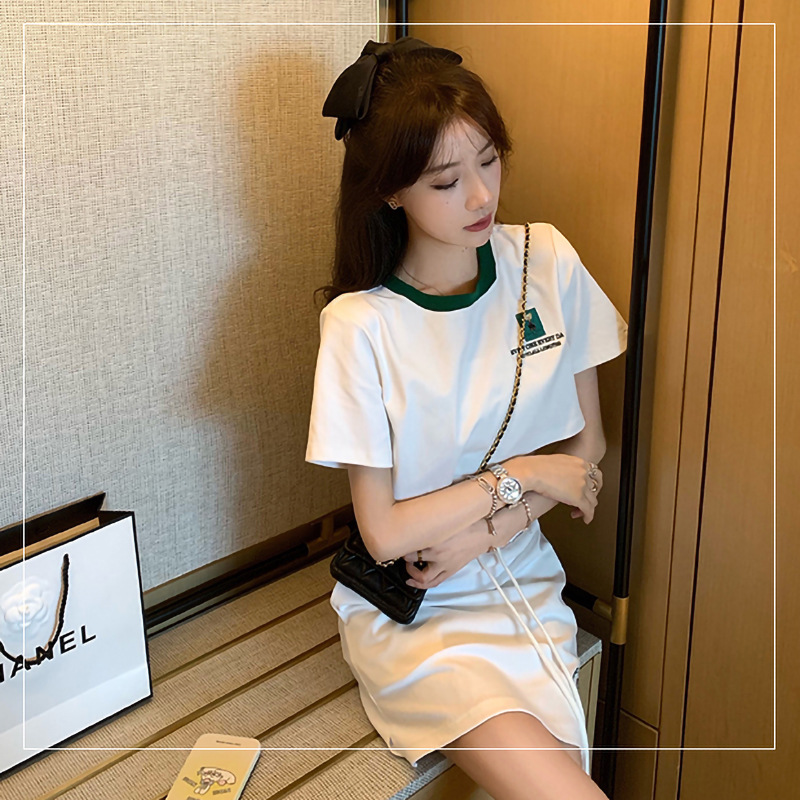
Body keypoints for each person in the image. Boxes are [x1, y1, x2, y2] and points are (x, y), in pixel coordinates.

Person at [305, 37, 627, 800]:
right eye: (447, 181)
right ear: (392, 192)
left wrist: (490, 531)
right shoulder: (359, 327)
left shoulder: (544, 259)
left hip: (520, 566)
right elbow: (385, 533)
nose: (482, 196)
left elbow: (588, 445)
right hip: (417, 610)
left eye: (490, 160)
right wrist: (526, 474)